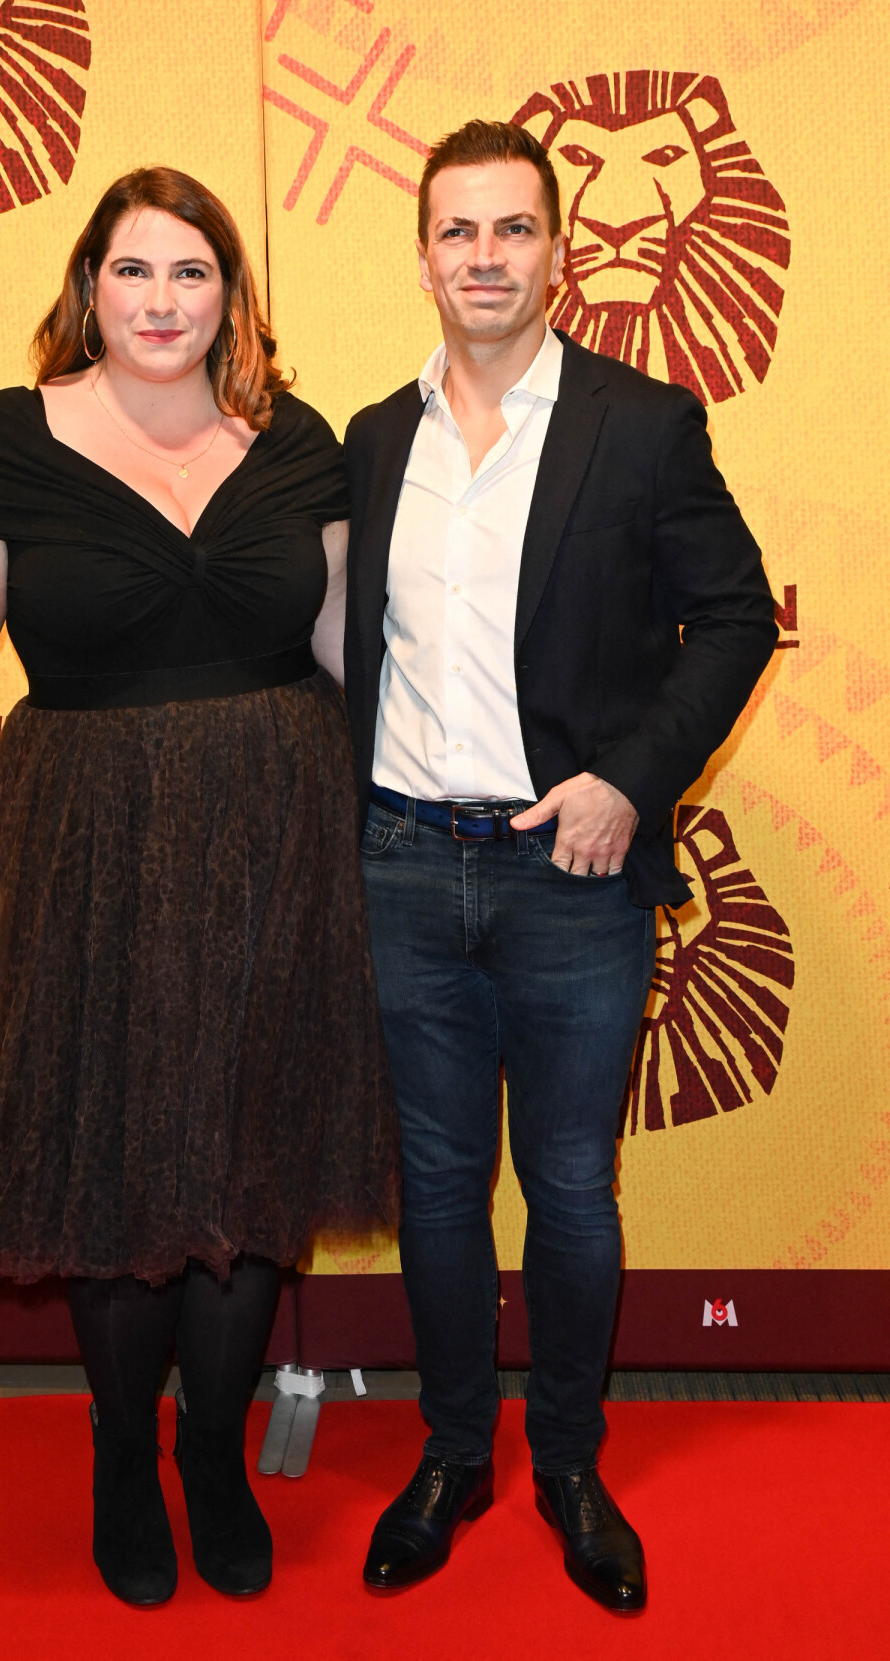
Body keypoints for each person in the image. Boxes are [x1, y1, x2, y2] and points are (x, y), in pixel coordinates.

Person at [0, 167, 398, 1608]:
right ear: (87, 288)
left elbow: (344, 650)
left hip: (277, 836)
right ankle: (122, 1450)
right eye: (134, 272)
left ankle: (213, 1452)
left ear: (230, 296)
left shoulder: (299, 444)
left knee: (251, 1166)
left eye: (192, 274)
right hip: (86, 848)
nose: (162, 302)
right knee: (114, 1166)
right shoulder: (5, 441)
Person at [343, 121, 776, 1611]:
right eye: (457, 232)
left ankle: (572, 1460)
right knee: (444, 1185)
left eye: (513, 230)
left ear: (558, 249)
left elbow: (732, 620)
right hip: (403, 861)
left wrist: (631, 783)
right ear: (421, 256)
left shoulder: (644, 422)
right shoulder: (373, 437)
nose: (484, 258)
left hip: (570, 876)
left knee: (573, 1186)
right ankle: (458, 1451)